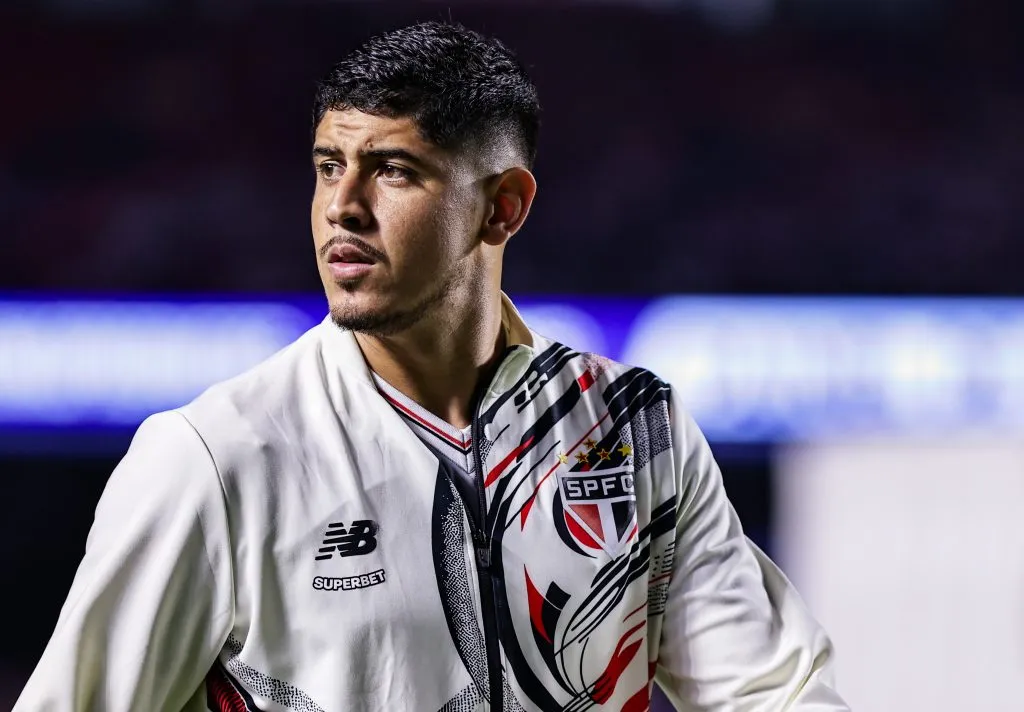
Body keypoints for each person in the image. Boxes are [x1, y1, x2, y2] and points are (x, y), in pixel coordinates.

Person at [16, 21, 850, 712]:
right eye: (327, 167)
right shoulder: (214, 455)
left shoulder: (633, 430)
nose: (343, 207)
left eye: (393, 171)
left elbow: (776, 692)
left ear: (503, 206)